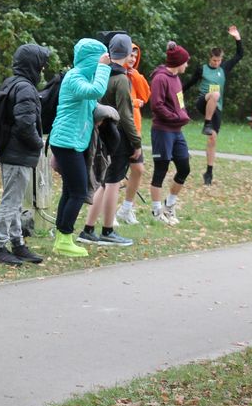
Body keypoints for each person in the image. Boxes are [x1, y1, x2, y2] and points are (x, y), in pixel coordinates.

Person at [49, 38, 111, 257]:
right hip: (66, 142)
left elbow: (91, 102)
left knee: (69, 191)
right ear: (92, 60)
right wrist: (103, 67)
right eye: (101, 59)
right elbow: (95, 91)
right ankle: (65, 238)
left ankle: (61, 238)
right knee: (78, 192)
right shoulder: (74, 77)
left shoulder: (83, 77)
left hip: (74, 141)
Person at [0, 43, 49, 266]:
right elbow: (25, 123)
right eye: (41, 65)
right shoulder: (25, 88)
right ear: (32, 65)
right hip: (18, 153)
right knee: (11, 201)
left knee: (14, 200)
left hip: (10, 151)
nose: (43, 69)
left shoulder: (12, 83)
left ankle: (18, 243)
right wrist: (38, 143)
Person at [78, 34, 138, 247]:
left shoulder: (101, 73)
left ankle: (88, 229)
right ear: (127, 52)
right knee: (113, 183)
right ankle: (107, 230)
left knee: (103, 183)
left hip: (100, 135)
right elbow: (126, 115)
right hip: (117, 136)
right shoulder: (121, 79)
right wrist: (136, 142)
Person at [183, 26, 244, 185]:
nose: (216, 63)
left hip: (216, 107)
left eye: (219, 61)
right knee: (215, 94)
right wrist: (176, 94)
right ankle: (207, 123)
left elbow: (239, 55)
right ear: (209, 58)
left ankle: (209, 172)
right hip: (202, 102)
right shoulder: (202, 69)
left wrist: (237, 38)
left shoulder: (223, 69)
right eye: (214, 61)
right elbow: (189, 84)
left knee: (212, 139)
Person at [148, 41, 192, 226]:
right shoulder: (160, 78)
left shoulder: (176, 78)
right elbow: (156, 105)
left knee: (184, 168)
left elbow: (179, 102)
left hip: (177, 131)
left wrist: (182, 115)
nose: (187, 65)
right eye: (185, 62)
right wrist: (174, 117)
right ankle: (156, 211)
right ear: (178, 62)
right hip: (163, 130)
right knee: (161, 169)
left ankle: (169, 206)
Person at [116, 42, 150, 225]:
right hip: (119, 130)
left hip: (134, 131)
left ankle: (126, 209)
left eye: (135, 56)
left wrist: (136, 75)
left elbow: (145, 96)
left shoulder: (134, 75)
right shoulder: (116, 75)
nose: (133, 59)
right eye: (130, 55)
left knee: (138, 169)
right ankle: (107, 211)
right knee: (115, 174)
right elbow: (123, 102)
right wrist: (135, 103)